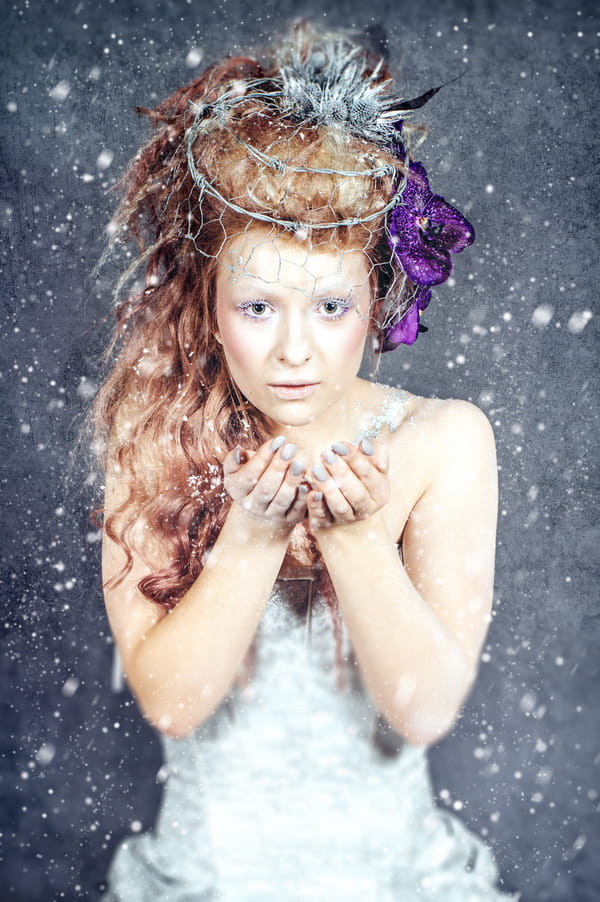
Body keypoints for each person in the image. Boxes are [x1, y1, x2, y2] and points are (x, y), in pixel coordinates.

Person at [94, 19, 519, 901]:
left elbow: (426, 709)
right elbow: (172, 702)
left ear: (379, 294)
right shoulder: (157, 432)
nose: (296, 352)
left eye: (330, 307)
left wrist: (360, 545)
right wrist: (248, 544)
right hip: (207, 883)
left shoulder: (440, 441)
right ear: (208, 304)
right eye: (258, 307)